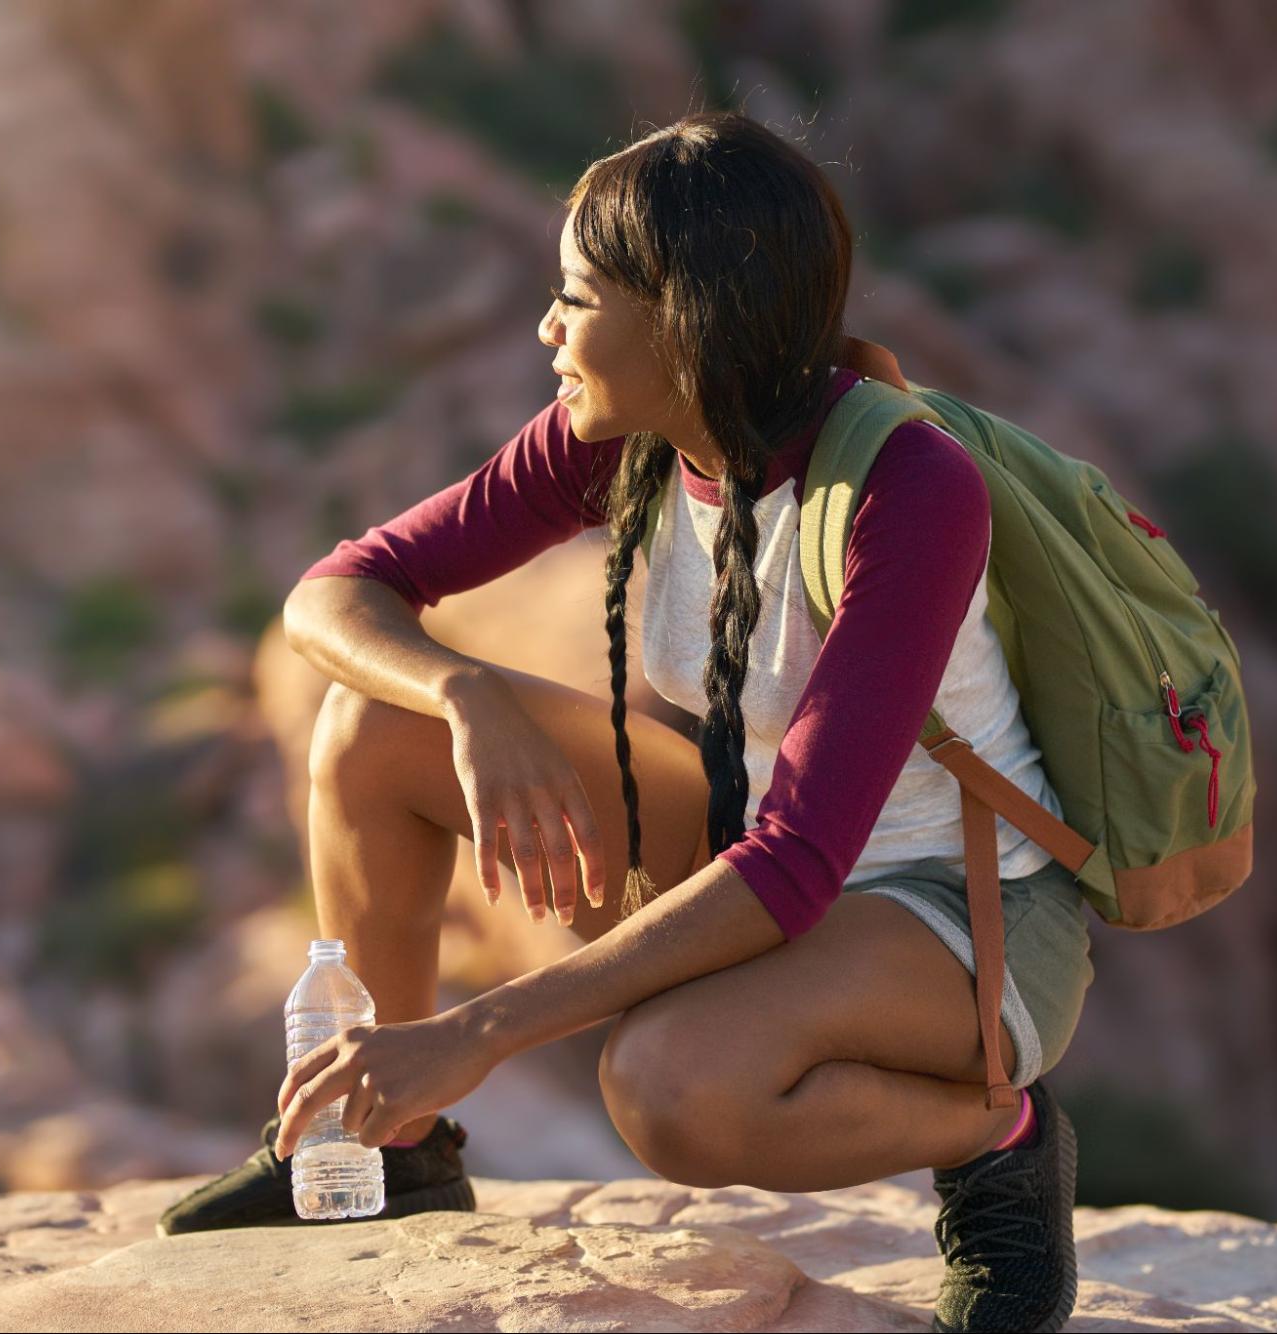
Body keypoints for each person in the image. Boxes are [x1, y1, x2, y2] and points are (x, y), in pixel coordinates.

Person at [160, 109, 1091, 1334]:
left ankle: (1001, 1140)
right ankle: (387, 1153)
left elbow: (800, 864)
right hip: (761, 846)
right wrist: (463, 689)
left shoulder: (908, 490)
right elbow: (333, 590)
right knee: (371, 727)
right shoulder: (637, 436)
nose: (547, 329)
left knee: (667, 1090)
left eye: (576, 297)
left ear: (687, 315)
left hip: (957, 904)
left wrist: (472, 1030)